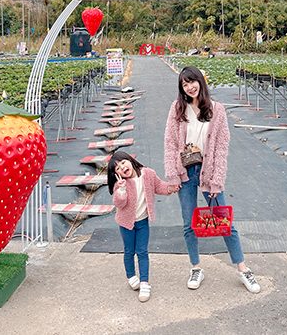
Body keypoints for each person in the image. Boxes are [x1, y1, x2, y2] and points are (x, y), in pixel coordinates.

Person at [163, 66, 261, 294]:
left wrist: (217, 180)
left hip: (208, 171)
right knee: (189, 224)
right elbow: (169, 143)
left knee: (224, 222)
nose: (190, 87)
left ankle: (243, 269)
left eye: (192, 82)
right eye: (185, 84)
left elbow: (221, 147)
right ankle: (196, 267)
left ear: (201, 81)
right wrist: (172, 174)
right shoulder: (177, 109)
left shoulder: (217, 110)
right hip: (185, 171)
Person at [108, 151, 178, 302]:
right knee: (129, 251)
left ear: (130, 160)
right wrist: (121, 190)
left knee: (142, 251)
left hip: (142, 222)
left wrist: (171, 188)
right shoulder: (121, 185)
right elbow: (119, 204)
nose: (122, 167)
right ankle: (131, 275)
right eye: (118, 168)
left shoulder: (148, 174)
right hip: (126, 223)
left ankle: (145, 283)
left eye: (123, 163)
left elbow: (159, 187)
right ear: (117, 174)